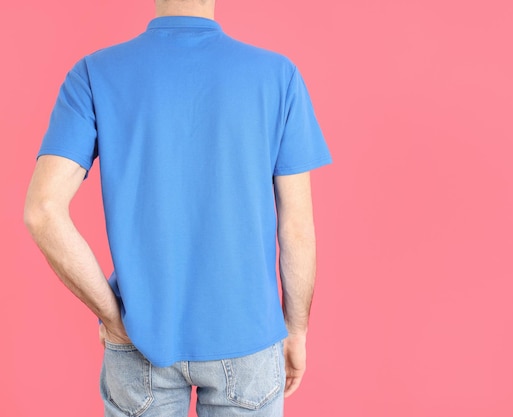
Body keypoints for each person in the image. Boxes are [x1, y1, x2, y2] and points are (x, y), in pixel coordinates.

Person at [23, 0, 332, 415]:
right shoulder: (278, 77)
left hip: (142, 337)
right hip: (248, 340)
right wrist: (296, 331)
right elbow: (296, 229)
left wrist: (113, 318)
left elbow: (43, 211)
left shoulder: (94, 74)